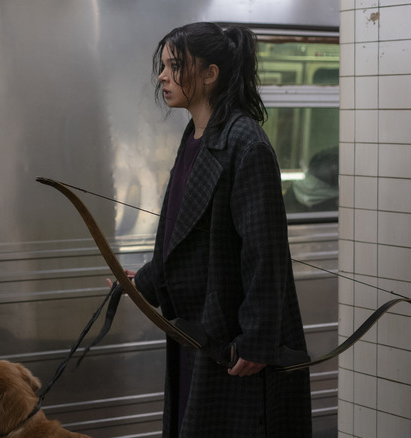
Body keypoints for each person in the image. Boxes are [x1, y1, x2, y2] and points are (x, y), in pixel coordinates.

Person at [130, 22, 312, 436]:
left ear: (210, 73)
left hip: (231, 338)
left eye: (174, 66)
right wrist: (143, 282)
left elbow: (264, 252)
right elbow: (180, 232)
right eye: (162, 66)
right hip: (195, 329)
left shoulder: (245, 142)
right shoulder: (196, 135)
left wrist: (257, 339)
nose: (162, 77)